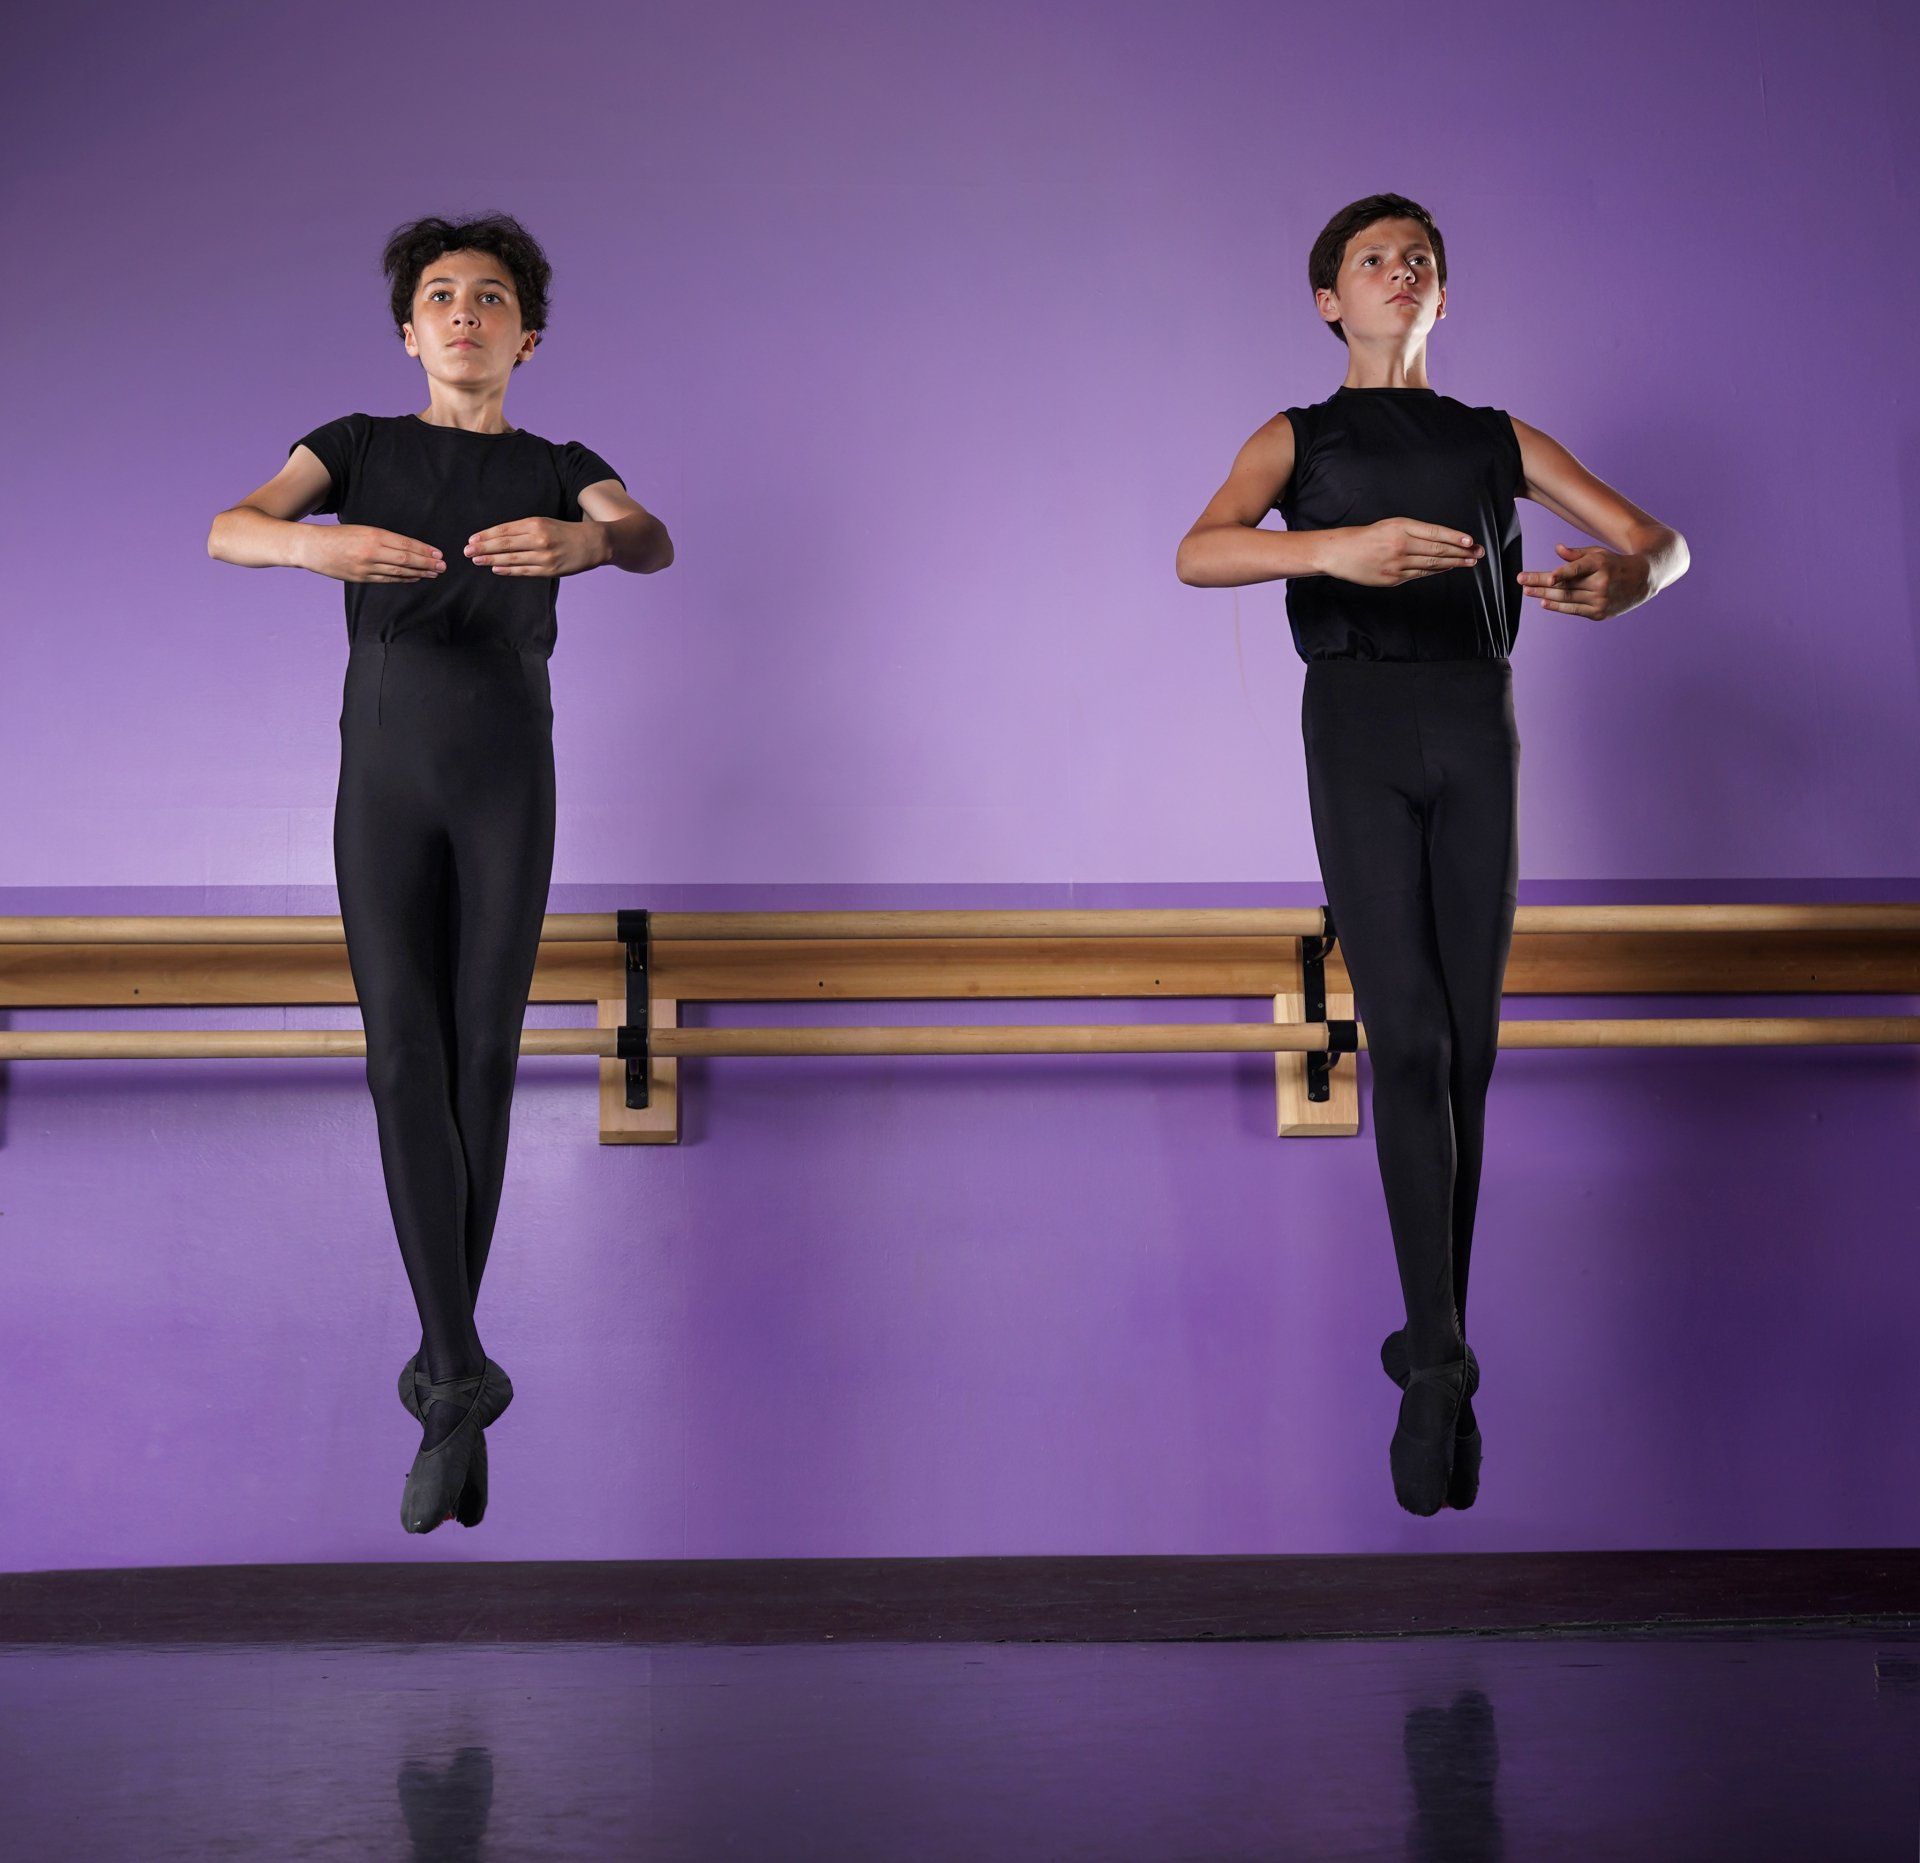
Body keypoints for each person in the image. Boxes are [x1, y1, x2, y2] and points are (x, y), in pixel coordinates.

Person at [1175, 193, 1687, 1514]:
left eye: (1422, 262)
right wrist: (1343, 547)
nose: (1401, 272)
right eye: (1373, 260)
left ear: (1442, 301)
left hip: (1477, 715)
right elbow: (1200, 551)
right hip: (1356, 718)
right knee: (1401, 1033)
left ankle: (1433, 1353)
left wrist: (1625, 583)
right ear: (1326, 299)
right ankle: (1441, 1352)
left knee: (1471, 1044)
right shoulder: (1298, 436)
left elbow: (1662, 544)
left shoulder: (1493, 437)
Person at [207, 213, 673, 1532]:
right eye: (439, 296)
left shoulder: (560, 463)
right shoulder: (354, 446)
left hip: (507, 769)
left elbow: (649, 537)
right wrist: (321, 545)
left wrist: (593, 543)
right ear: (409, 332)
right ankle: (459, 1371)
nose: (465, 313)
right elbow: (228, 529)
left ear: (529, 335)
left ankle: (447, 1379)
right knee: (401, 1054)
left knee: (484, 1059)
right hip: (388, 771)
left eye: (491, 298)